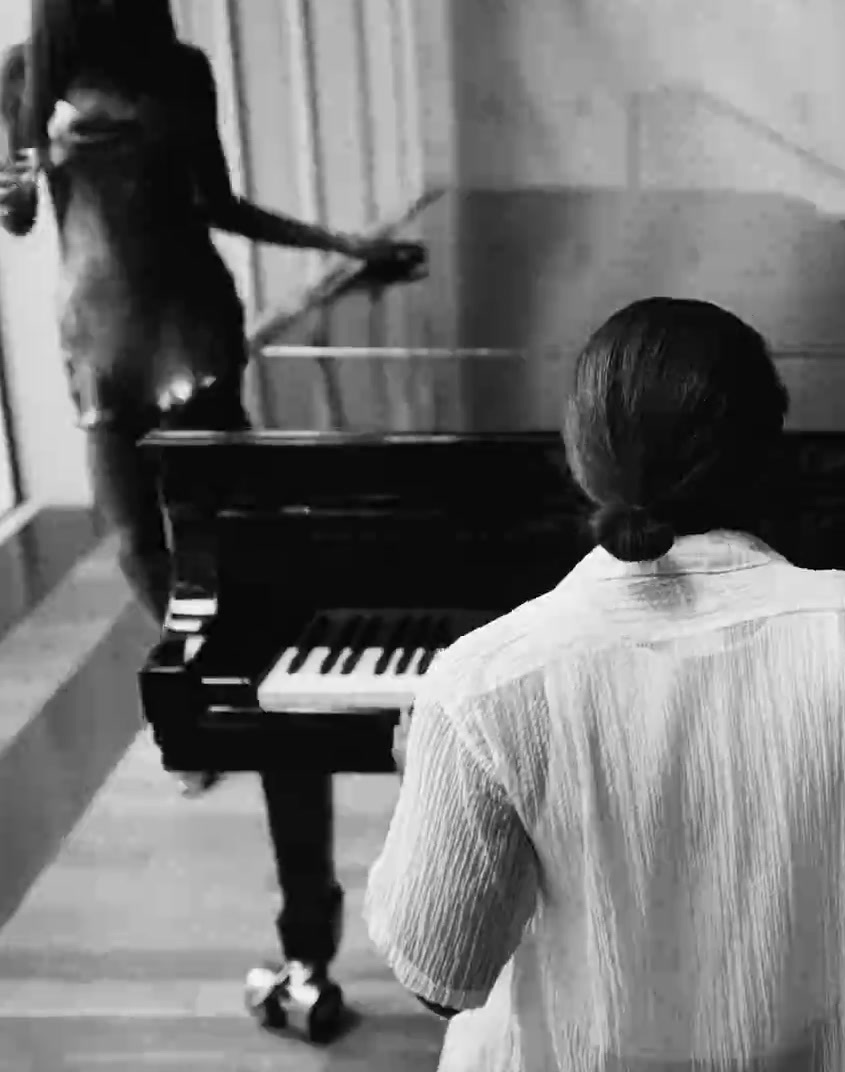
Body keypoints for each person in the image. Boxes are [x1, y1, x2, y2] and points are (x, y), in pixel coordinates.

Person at [365, 297, 845, 1071]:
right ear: (770, 449)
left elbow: (443, 982)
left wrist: (422, 773)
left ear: (580, 456)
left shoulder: (479, 684)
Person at [0, 0, 425, 1040]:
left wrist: (339, 243)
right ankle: (205, 682)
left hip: (191, 314)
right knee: (133, 540)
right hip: (96, 330)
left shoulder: (183, 70)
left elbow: (219, 202)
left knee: (224, 549)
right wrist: (6, 191)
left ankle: (229, 687)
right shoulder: (20, 71)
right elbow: (18, 215)